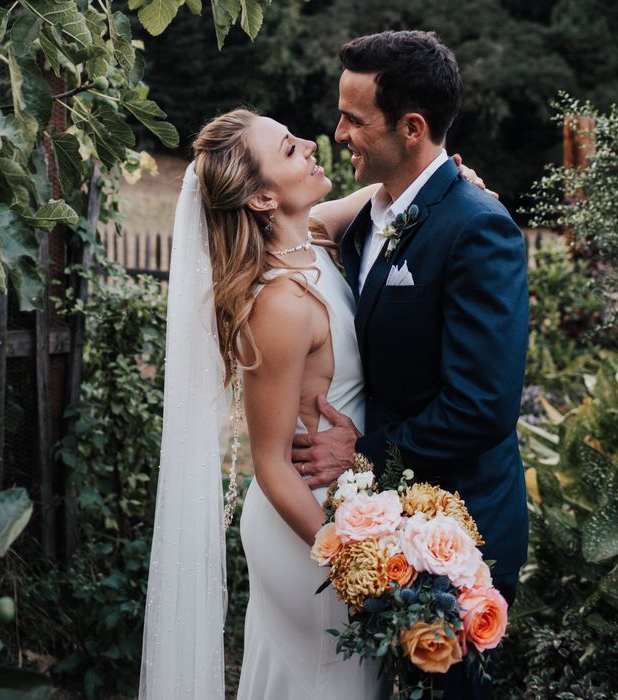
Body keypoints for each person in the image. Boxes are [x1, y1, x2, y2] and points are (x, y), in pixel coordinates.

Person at [138, 101, 493, 697]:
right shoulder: (279, 304)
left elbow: (402, 190)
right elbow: (271, 464)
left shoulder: (315, 237)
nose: (309, 144)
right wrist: (357, 563)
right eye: (286, 148)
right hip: (307, 522)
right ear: (262, 200)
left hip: (347, 504)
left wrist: (459, 184)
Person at [292, 31, 529, 699]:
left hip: (463, 531)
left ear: (412, 127)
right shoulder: (371, 220)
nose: (339, 134)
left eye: (354, 119)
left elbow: (482, 405)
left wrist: (360, 453)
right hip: (386, 528)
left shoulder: (478, 227)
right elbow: (284, 221)